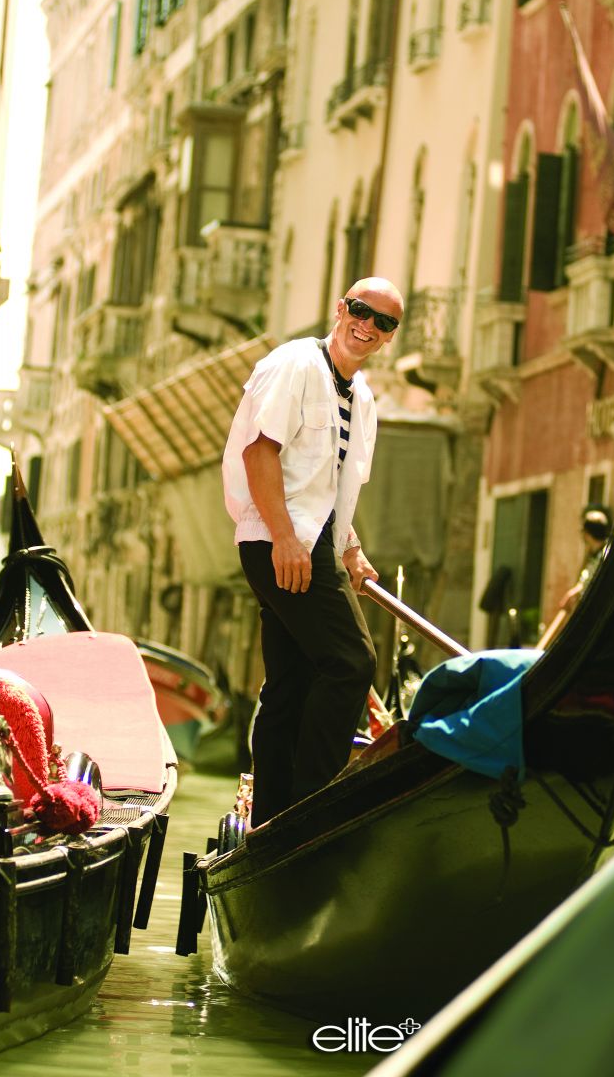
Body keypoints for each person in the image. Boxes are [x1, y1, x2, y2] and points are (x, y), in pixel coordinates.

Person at [222, 277, 404, 827]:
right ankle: (309, 812)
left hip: (311, 543)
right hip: (277, 541)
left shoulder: (363, 397)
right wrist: (283, 537)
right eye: (360, 311)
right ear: (340, 308)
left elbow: (331, 490)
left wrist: (350, 550)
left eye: (383, 322)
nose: (367, 326)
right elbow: (260, 454)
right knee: (353, 663)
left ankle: (273, 821)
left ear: (390, 336)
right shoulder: (295, 364)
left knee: (292, 682)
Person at [558, 504, 612, 614]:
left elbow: (593, 581)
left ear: (588, 534)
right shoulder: (595, 554)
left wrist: (574, 593)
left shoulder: (605, 554)